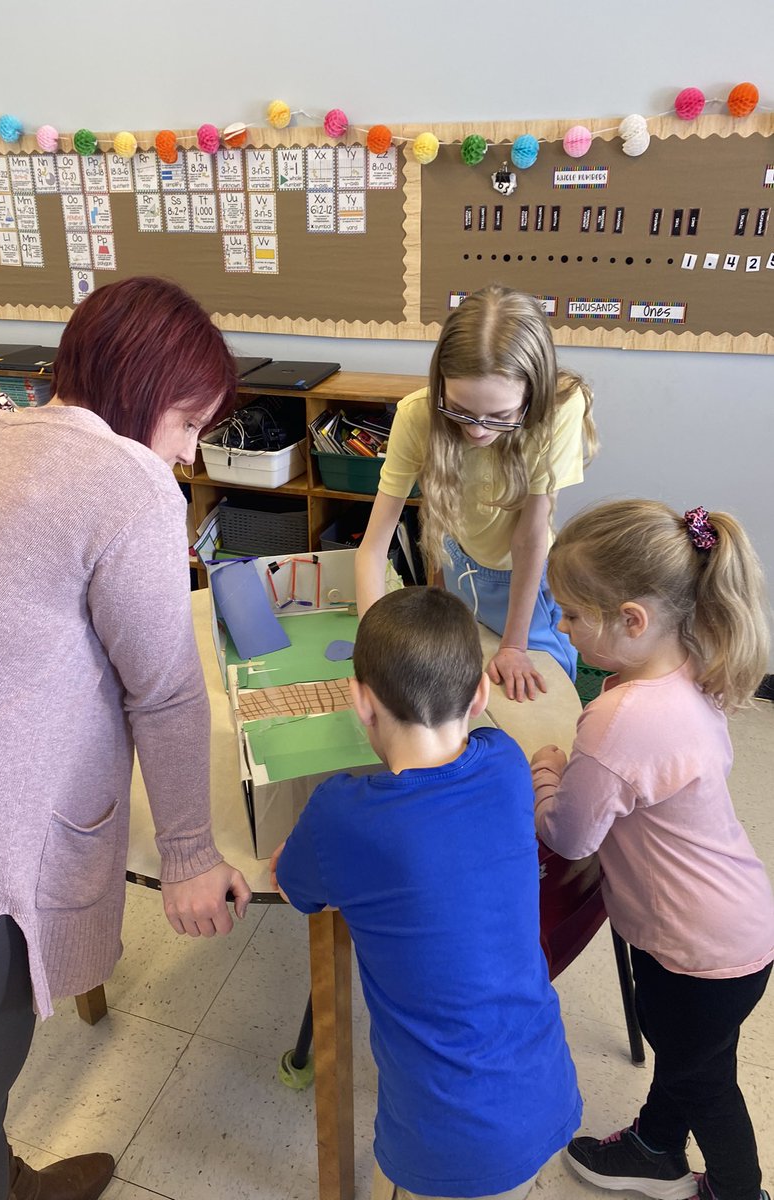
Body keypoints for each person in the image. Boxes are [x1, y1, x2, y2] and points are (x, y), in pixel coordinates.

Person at [0, 276, 253, 1200]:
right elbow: (162, 692)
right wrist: (192, 855)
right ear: (147, 392)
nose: (189, 454)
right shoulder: (128, 482)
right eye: (191, 424)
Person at [271, 586, 582, 1200]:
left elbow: (295, 888)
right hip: (544, 1095)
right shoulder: (507, 765)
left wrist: (300, 860)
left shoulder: (340, 816)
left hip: (443, 1136)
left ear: (360, 702)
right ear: (481, 696)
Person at [531, 500, 773, 1200]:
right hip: (732, 926)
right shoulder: (691, 666)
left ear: (632, 620)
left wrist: (547, 768)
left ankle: (736, 1191)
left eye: (571, 615)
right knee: (691, 1058)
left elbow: (570, 834)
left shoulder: (617, 720)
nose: (564, 628)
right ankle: (656, 1147)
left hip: (695, 946)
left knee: (706, 1082)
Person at [354, 285, 597, 703]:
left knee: (540, 691)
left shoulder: (560, 408)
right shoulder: (417, 414)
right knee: (452, 686)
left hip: (525, 574)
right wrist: (371, 656)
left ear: (532, 393)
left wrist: (515, 646)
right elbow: (372, 549)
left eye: (500, 417)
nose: (478, 430)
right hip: (458, 562)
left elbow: (530, 535)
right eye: (460, 411)